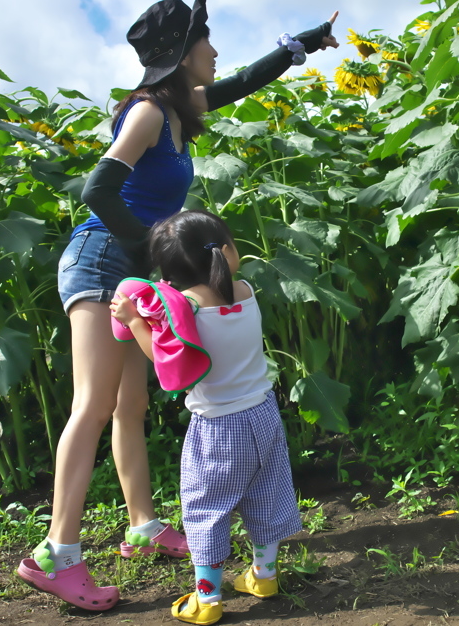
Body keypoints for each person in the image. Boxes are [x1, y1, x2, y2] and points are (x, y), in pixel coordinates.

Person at [16, 0, 338, 611]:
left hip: (132, 269)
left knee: (130, 404)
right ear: (179, 57)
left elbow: (244, 81)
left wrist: (304, 42)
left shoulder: (182, 107)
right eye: (205, 43)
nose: (214, 53)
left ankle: (140, 524)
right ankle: (57, 552)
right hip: (102, 260)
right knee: (93, 404)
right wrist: (151, 251)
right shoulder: (146, 114)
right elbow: (97, 189)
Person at [110, 210, 302, 625]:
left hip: (217, 426)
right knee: (265, 493)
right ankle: (263, 576)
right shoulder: (245, 290)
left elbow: (167, 359)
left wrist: (134, 320)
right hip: (263, 413)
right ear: (227, 251)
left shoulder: (186, 310)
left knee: (207, 507)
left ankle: (208, 598)